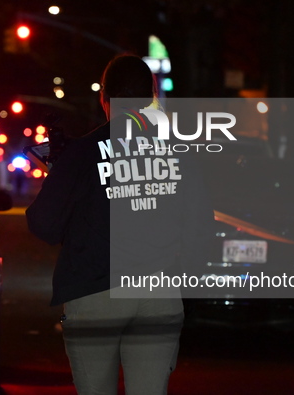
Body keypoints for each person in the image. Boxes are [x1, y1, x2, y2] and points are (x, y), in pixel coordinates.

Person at [26, 54, 204, 395]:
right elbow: (199, 228)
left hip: (94, 293)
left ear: (103, 97)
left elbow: (44, 224)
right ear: (151, 97)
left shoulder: (81, 154)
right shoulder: (180, 155)